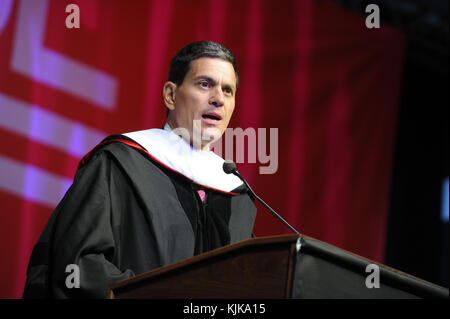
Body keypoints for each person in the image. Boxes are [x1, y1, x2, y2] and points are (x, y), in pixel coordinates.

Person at [22, 41, 257, 298]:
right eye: (205, 84)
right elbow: (77, 264)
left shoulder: (236, 194)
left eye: (228, 90)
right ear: (170, 95)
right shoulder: (120, 164)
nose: (218, 100)